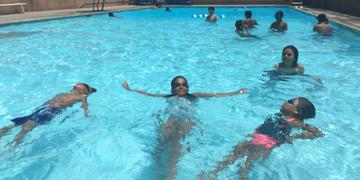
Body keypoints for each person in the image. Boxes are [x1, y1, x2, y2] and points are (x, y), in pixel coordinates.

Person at [122, 76, 247, 180]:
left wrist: (236, 92)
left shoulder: (195, 96)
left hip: (185, 122)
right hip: (170, 122)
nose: (180, 86)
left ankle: (170, 174)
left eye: (183, 84)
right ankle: (159, 167)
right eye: (177, 85)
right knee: (161, 146)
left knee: (176, 146)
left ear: (188, 87)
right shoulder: (168, 97)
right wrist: (130, 89)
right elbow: (148, 94)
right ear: (172, 88)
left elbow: (217, 95)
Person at [209, 97, 324, 180]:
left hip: (265, 142)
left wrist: (297, 136)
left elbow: (317, 132)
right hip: (259, 139)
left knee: (245, 163)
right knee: (238, 153)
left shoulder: (294, 121)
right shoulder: (283, 117)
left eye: (290, 102)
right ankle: (214, 173)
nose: (285, 101)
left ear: (297, 111)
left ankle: (215, 174)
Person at [0, 83, 96, 146]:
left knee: (18, 123)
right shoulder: (82, 96)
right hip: (51, 111)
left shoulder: (61, 94)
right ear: (84, 91)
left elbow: (47, 102)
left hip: (42, 109)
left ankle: (3, 133)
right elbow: (85, 110)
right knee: (26, 129)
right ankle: (11, 147)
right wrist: (88, 115)